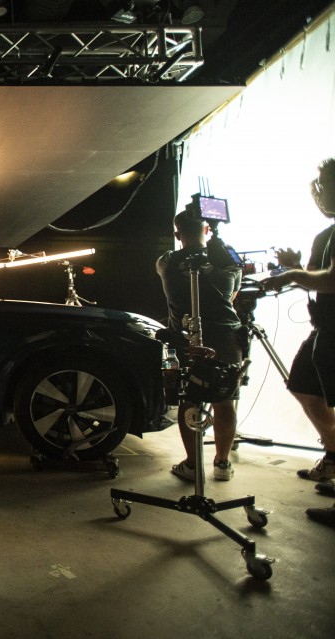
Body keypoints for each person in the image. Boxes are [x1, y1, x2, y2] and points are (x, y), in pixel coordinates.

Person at [262, 158, 335, 527]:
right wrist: (296, 268)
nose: (318, 191)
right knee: (303, 385)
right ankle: (333, 455)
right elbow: (318, 278)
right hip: (324, 327)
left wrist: (290, 274)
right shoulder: (327, 234)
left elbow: (332, 280)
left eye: (323, 183)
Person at [157, 209, 243, 482]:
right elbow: (232, 296)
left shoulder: (166, 262)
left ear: (177, 234)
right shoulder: (227, 260)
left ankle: (193, 465)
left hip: (186, 339)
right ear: (207, 229)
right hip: (226, 337)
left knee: (189, 399)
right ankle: (222, 463)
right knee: (225, 400)